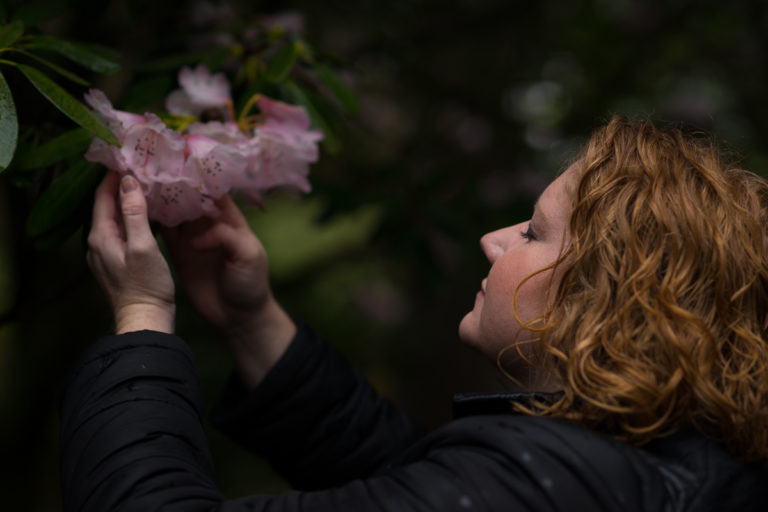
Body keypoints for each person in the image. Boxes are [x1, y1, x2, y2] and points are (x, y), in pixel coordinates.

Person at [60, 116, 768, 511]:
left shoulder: (554, 480)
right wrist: (252, 320)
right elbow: (410, 479)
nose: (494, 239)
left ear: (609, 295)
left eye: (533, 233)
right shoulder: (659, 461)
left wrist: (143, 318)